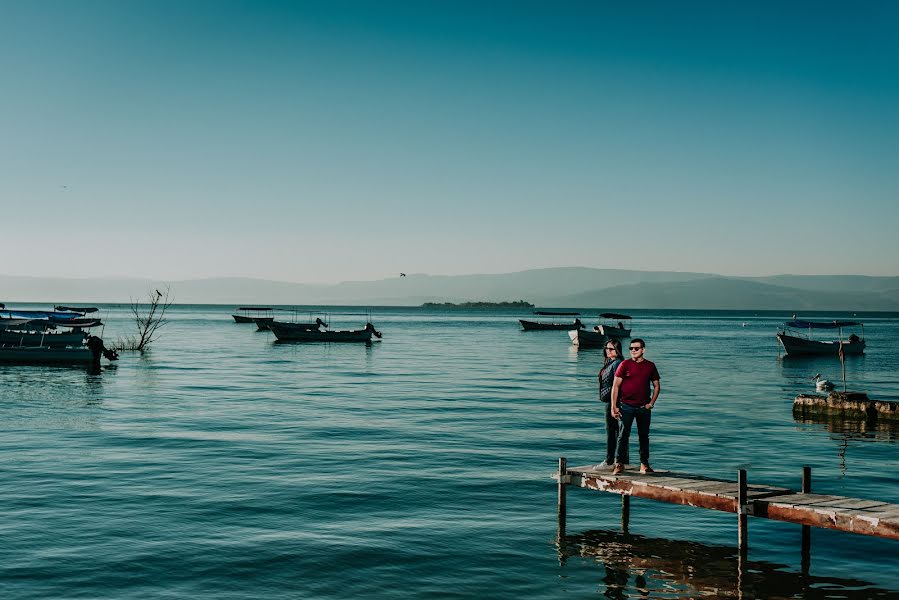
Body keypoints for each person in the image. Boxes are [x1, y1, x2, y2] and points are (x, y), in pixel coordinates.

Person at [610, 338, 660, 475]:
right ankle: (619, 464)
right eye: (631, 348)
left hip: (644, 408)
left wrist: (651, 403)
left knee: (644, 436)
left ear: (643, 350)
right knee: (622, 435)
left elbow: (656, 386)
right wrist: (613, 407)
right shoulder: (624, 364)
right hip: (626, 406)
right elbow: (615, 386)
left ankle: (644, 464)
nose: (633, 351)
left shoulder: (650, 366)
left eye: (636, 348)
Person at [594, 338, 626, 469]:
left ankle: (609, 461)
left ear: (617, 350)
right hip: (610, 400)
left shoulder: (618, 363)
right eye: (606, 348)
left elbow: (618, 384)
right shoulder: (610, 362)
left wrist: (615, 404)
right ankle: (619, 460)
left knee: (612, 431)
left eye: (611, 349)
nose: (607, 350)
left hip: (614, 402)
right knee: (615, 431)